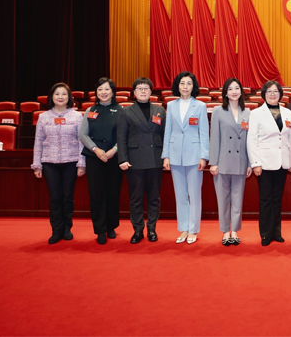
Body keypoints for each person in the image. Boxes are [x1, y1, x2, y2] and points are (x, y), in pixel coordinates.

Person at [32, 82, 86, 244]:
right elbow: (38, 141)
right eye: (57, 94)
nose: (60, 97)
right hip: (49, 162)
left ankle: (67, 228)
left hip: (71, 161)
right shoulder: (43, 117)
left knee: (67, 197)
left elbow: (81, 141)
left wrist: (81, 163)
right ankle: (56, 230)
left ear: (69, 97)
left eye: (64, 94)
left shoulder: (77, 116)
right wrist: (37, 165)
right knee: (55, 198)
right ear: (51, 97)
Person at [117, 77, 166, 244]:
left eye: (146, 88)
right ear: (134, 92)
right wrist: (122, 159)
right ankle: (138, 230)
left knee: (154, 197)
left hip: (155, 159)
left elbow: (165, 136)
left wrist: (166, 157)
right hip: (134, 160)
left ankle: (152, 228)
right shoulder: (126, 111)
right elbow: (121, 137)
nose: (143, 91)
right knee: (136, 197)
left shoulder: (159, 110)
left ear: (151, 91)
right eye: (139, 88)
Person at [162, 71, 209, 245]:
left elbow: (204, 133)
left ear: (193, 86)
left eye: (189, 83)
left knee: (194, 194)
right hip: (175, 155)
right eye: (182, 83)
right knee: (180, 194)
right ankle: (183, 227)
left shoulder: (200, 106)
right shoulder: (171, 105)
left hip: (194, 155)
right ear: (177, 85)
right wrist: (166, 155)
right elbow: (168, 131)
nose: (185, 86)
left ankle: (193, 229)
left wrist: (204, 156)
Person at [247, 80, 291, 246]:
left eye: (275, 91)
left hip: (282, 162)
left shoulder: (287, 112)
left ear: (280, 93)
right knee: (266, 199)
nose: (273, 94)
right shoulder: (256, 113)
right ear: (264, 94)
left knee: (277, 199)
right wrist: (255, 163)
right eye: (269, 91)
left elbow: (289, 138)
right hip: (264, 163)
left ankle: (276, 232)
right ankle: (266, 234)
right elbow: (252, 139)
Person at [79, 77, 123, 245]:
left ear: (112, 92)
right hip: (94, 158)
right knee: (96, 194)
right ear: (96, 92)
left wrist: (113, 151)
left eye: (107, 89)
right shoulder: (90, 110)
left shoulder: (121, 110)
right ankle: (100, 229)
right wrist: (95, 149)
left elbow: (124, 135)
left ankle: (111, 226)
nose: (103, 92)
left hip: (114, 158)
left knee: (113, 193)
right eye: (100, 89)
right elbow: (82, 135)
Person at [210, 78, 251, 246]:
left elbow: (249, 140)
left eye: (237, 88)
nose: (234, 91)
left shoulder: (247, 112)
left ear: (241, 91)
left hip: (241, 161)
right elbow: (214, 138)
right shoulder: (218, 111)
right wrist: (213, 162)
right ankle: (225, 231)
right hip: (222, 162)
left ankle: (234, 230)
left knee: (237, 199)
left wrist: (250, 163)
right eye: (230, 89)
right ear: (225, 93)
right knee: (223, 199)